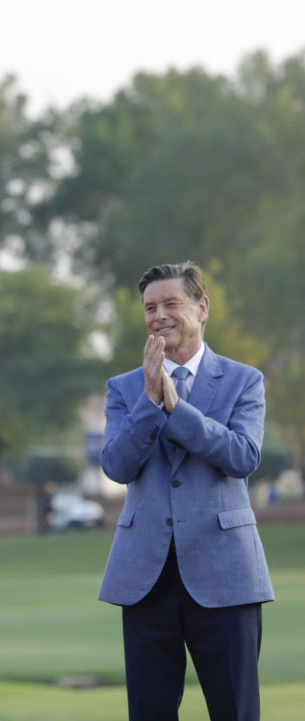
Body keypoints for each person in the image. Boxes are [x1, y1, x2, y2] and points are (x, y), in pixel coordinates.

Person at [99, 262, 274, 721]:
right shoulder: (123, 389)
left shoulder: (244, 380)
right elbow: (116, 465)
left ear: (202, 307)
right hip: (145, 579)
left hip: (226, 573)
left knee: (236, 710)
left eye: (171, 303)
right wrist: (150, 403)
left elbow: (242, 457)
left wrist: (177, 410)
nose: (159, 315)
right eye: (150, 307)